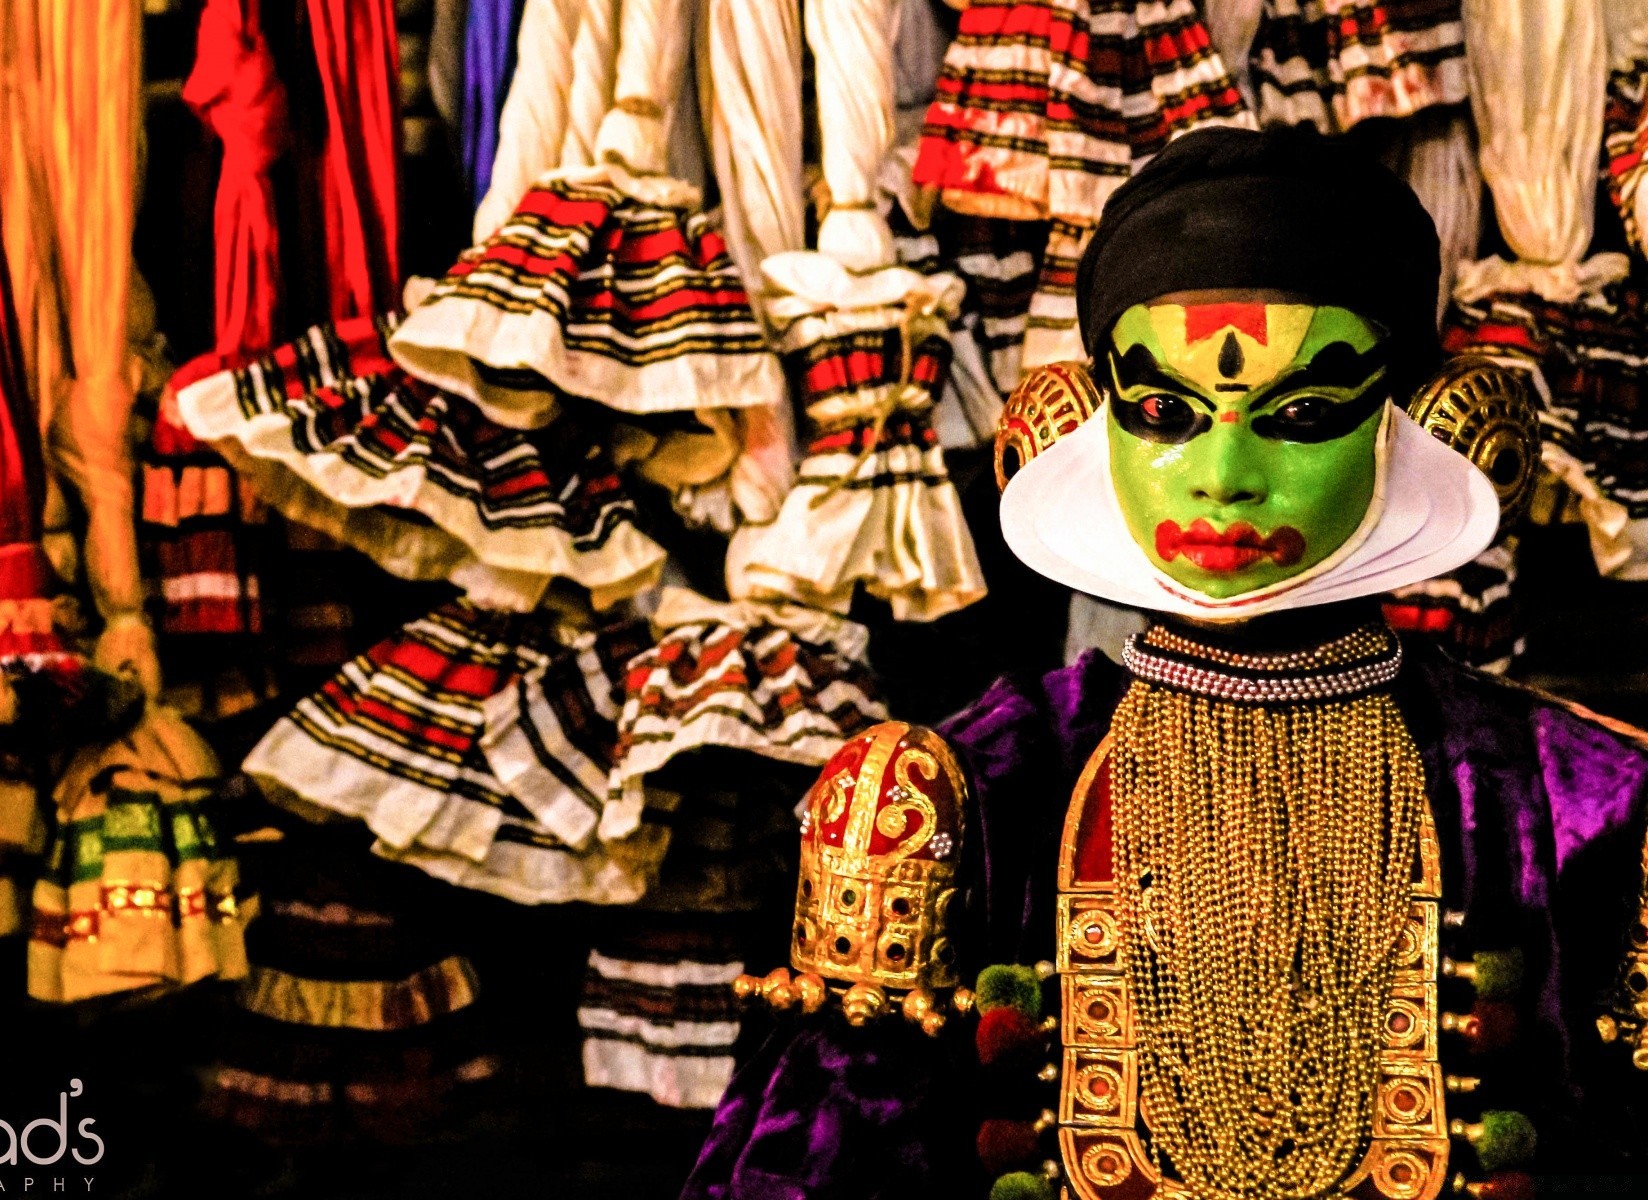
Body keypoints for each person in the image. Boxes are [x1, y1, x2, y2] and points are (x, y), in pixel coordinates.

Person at [684, 125, 1648, 1200]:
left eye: (1305, 415)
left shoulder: (1575, 800)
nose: (1224, 477)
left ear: (1431, 425)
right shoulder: (961, 793)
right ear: (1078, 426)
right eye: (1163, 413)